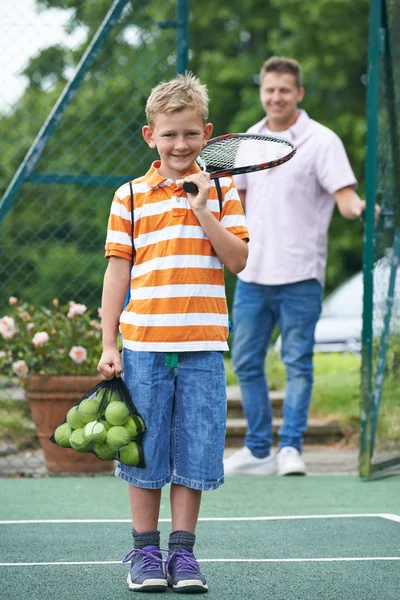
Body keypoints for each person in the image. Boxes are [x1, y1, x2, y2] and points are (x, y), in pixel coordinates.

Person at [97, 73, 249, 593]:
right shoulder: (129, 198)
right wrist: (107, 342)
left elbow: (239, 261)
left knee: (196, 451)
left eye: (189, 134)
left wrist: (203, 208)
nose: (180, 145)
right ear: (150, 137)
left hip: (204, 348)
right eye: (169, 135)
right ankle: (144, 552)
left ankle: (182, 556)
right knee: (145, 450)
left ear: (207, 134)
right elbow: (117, 272)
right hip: (143, 349)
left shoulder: (224, 190)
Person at [224, 56, 379, 478]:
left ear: (299, 94)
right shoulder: (249, 140)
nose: (276, 98)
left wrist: (364, 210)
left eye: (284, 91)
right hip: (252, 275)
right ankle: (258, 450)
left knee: (297, 362)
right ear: (262, 91)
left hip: (301, 275)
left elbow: (346, 198)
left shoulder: (321, 140)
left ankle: (291, 448)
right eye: (269, 90)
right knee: (247, 362)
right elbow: (235, 205)